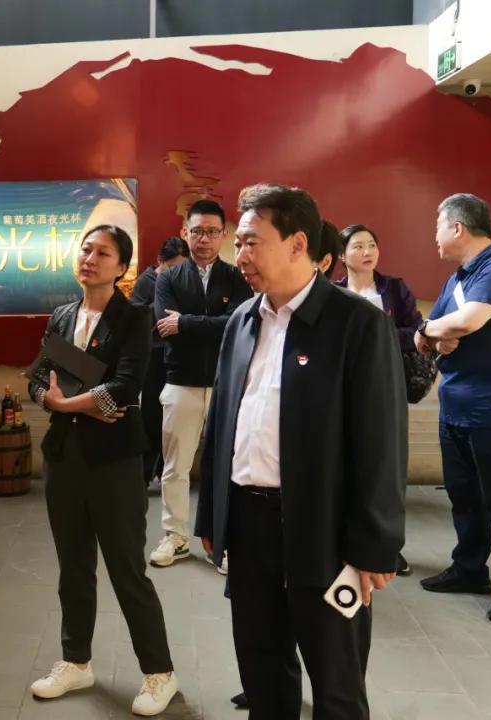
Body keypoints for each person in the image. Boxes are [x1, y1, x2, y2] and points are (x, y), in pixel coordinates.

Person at [196, 183, 406, 719]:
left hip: (326, 533)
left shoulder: (356, 324)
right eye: (237, 243)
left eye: (251, 242)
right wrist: (213, 516)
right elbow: (222, 424)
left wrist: (374, 546)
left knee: (336, 685)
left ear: (297, 244)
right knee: (263, 674)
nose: (239, 255)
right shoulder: (243, 320)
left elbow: (382, 442)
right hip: (249, 527)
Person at [27, 225, 178, 716]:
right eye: (86, 249)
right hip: (64, 457)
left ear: (121, 267)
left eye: (103, 253)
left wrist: (66, 401)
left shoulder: (133, 316)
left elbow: (126, 386)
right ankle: (76, 661)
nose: (90, 258)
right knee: (73, 567)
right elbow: (37, 377)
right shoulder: (63, 315)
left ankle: (160, 674)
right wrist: (65, 401)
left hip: (114, 461)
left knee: (127, 569)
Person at [415, 193, 491, 624]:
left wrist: (429, 329)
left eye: (437, 226)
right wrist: (432, 335)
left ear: (457, 228)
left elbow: (467, 322)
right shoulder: (456, 278)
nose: (434, 235)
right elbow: (430, 337)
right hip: (457, 405)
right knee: (464, 495)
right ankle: (469, 569)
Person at [150, 200, 252, 569]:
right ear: (185, 233)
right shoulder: (168, 278)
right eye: (197, 231)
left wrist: (187, 323)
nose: (204, 239)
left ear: (224, 235)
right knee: (175, 467)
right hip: (181, 382)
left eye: (211, 232)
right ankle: (175, 537)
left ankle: (219, 542)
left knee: (226, 466)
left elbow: (238, 324)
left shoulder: (237, 277)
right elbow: (164, 327)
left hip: (227, 385)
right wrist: (210, 324)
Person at [336, 222, 424, 577]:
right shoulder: (333, 292)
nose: (367, 252)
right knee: (346, 467)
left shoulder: (394, 289)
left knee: (385, 470)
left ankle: (388, 548)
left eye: (371, 244)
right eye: (358, 246)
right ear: (342, 256)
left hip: (387, 388)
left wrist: (377, 333)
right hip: (344, 391)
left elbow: (415, 331)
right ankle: (345, 541)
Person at [130, 236, 188, 491]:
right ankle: (143, 474)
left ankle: (165, 471)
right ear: (159, 261)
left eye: (181, 268)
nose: (176, 274)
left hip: (177, 355)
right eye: (171, 268)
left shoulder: (187, 281)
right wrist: (162, 303)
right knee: (151, 417)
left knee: (175, 418)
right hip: (153, 356)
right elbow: (134, 320)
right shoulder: (146, 281)